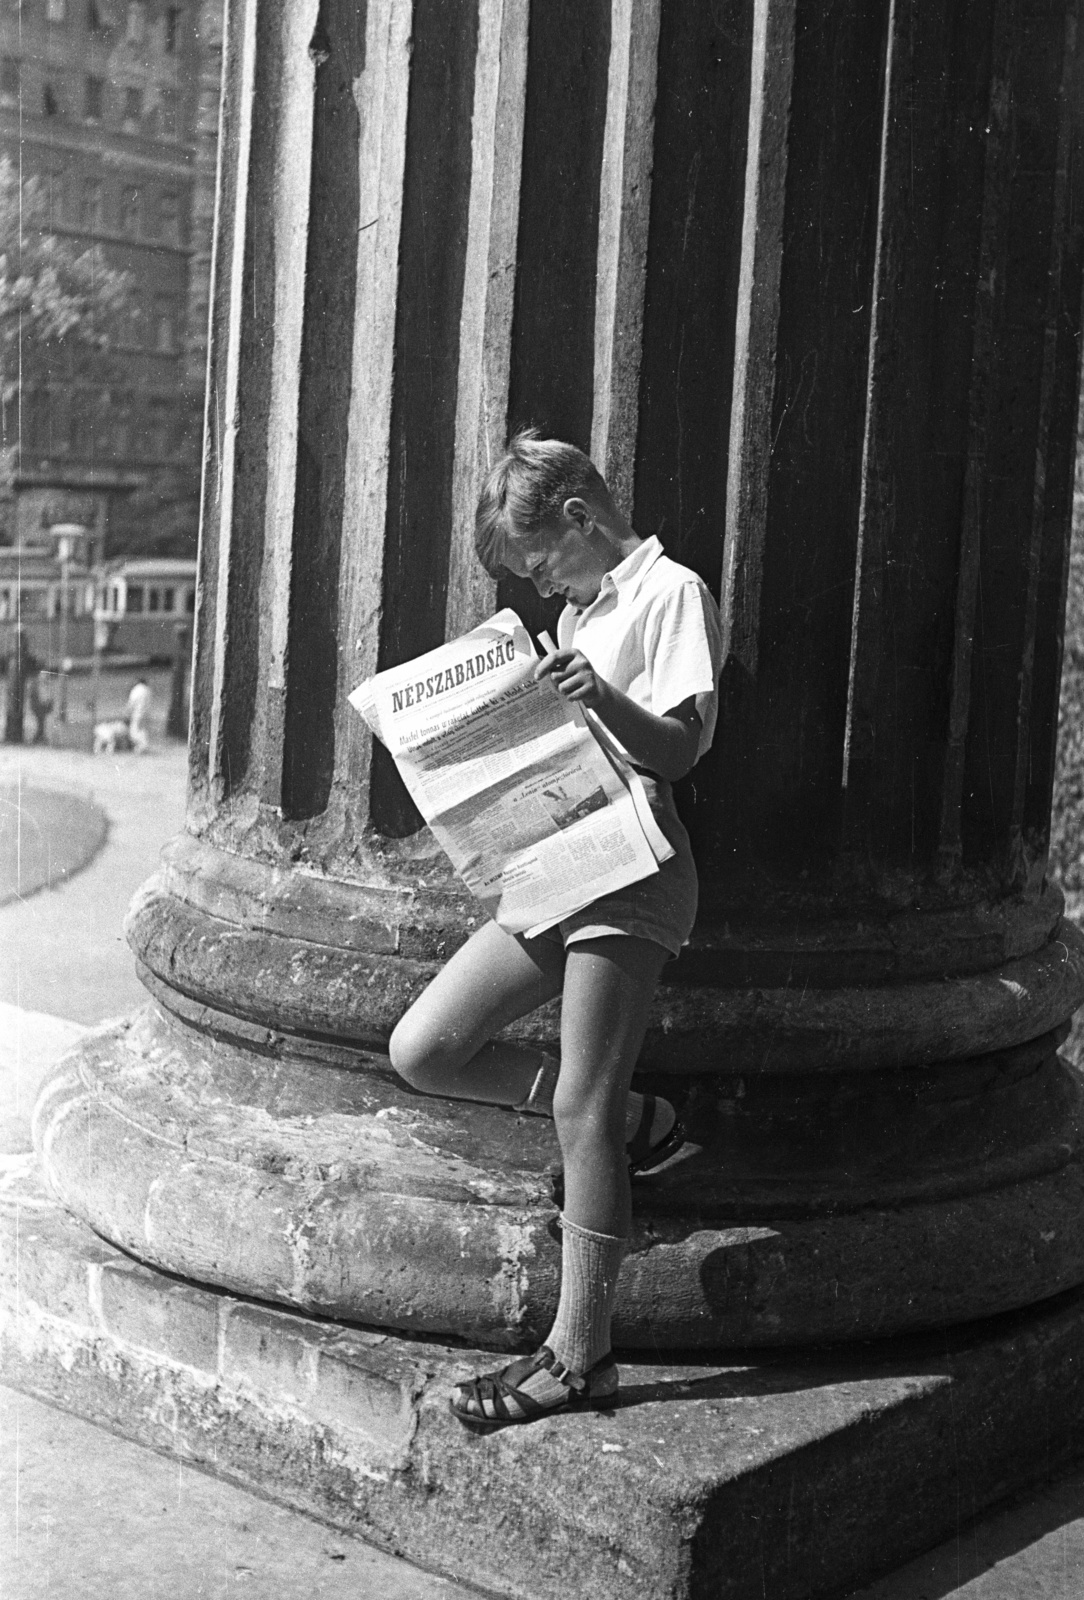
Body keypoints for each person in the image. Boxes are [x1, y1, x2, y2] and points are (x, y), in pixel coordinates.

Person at [388, 432, 723, 1429]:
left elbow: (683, 750)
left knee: (579, 1100)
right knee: (427, 1048)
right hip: (555, 865)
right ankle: (630, 1129)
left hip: (633, 869)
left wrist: (597, 694)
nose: (541, 589)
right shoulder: (577, 613)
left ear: (579, 516)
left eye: (540, 566)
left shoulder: (671, 592)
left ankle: (579, 1357)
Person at [125, 676, 152, 754]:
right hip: (146, 713)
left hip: (137, 713)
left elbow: (132, 702)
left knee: (134, 731)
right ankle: (143, 746)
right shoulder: (147, 690)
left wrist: (127, 711)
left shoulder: (136, 690)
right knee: (142, 730)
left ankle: (142, 746)